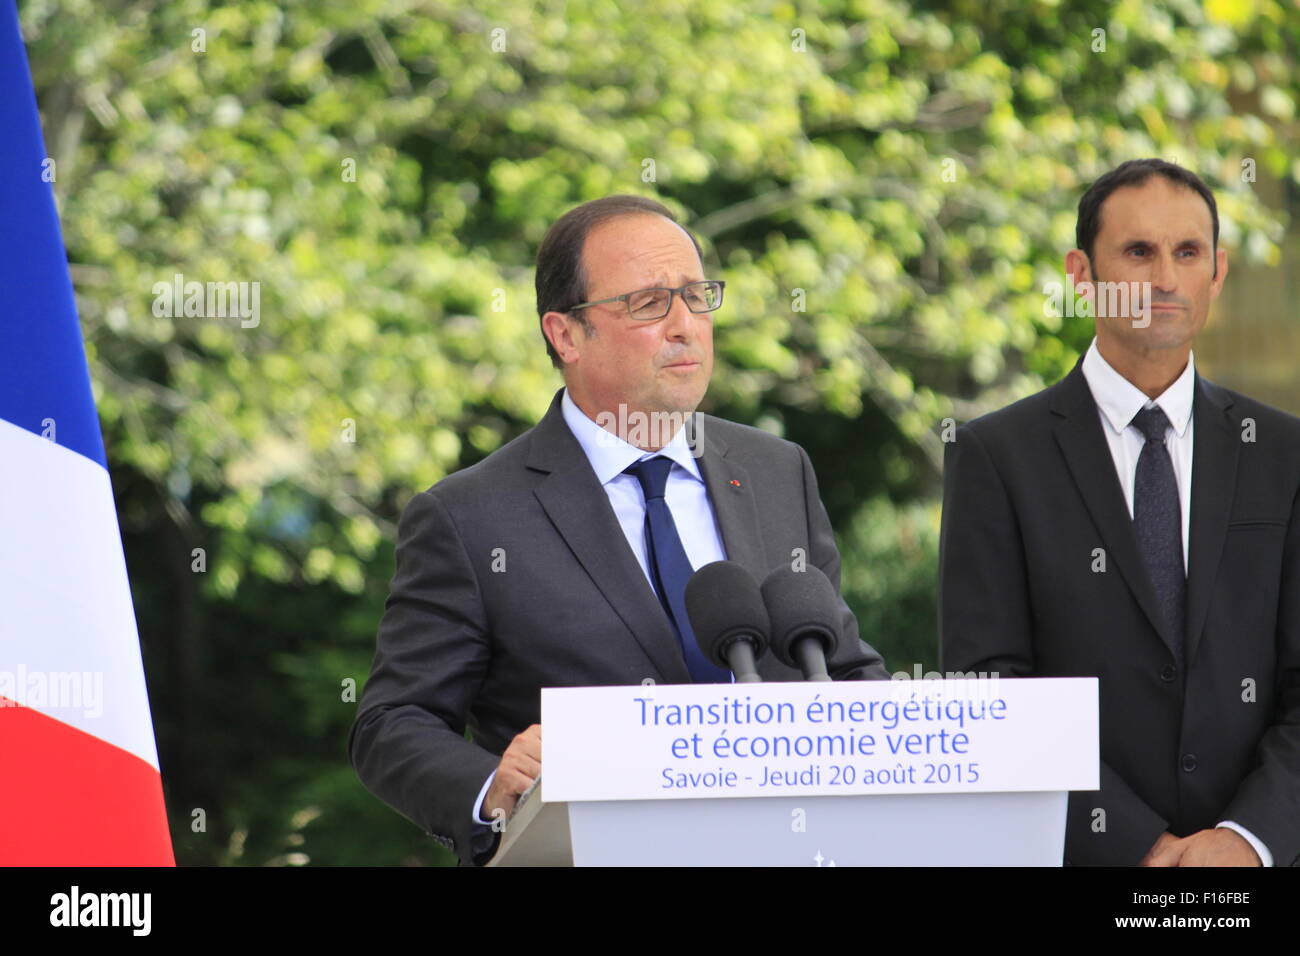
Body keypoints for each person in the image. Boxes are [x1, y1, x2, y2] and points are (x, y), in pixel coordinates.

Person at [349, 194, 890, 865]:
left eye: (697, 296)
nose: (685, 325)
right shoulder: (469, 516)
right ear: (566, 334)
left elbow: (840, 668)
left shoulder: (778, 470)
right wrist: (492, 783)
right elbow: (391, 725)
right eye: (649, 303)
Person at [939, 159, 1300, 866]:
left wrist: (1247, 840)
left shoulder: (1285, 454)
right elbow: (989, 694)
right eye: (1139, 251)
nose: (1165, 279)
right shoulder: (996, 456)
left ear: (1217, 274)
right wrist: (1138, 844)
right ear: (1082, 274)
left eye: (1187, 253)